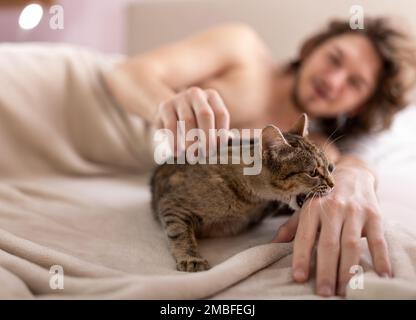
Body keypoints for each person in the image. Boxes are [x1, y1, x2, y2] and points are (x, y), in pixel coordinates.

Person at [103, 17, 416, 296]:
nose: (333, 81)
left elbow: (350, 165)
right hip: (104, 122)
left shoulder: (319, 145)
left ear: (360, 106)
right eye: (334, 58)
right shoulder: (242, 48)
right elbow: (125, 74)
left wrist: (357, 177)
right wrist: (166, 106)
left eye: (355, 83)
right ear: (311, 48)